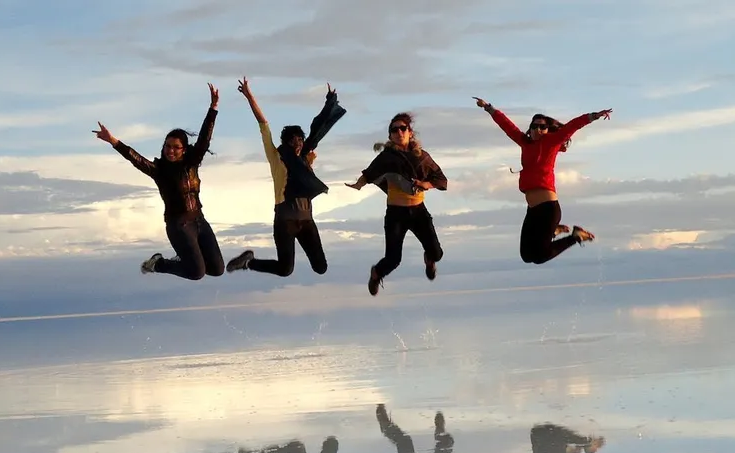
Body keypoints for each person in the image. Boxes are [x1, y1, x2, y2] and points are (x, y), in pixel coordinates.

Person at [93, 83, 225, 280]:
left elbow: (204, 139)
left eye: (176, 147)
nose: (170, 150)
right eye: (167, 146)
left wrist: (213, 108)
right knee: (196, 273)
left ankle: (185, 260)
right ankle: (159, 264)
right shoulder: (159, 170)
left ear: (184, 150)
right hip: (179, 225)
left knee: (216, 269)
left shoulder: (192, 163)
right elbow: (136, 159)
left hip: (199, 219)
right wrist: (114, 141)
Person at [225, 77, 347, 278]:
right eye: (293, 140)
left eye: (300, 139)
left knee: (321, 267)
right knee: (285, 269)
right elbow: (263, 124)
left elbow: (319, 128)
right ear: (286, 143)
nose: (297, 143)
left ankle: (248, 262)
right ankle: (248, 262)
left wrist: (330, 101)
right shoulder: (277, 157)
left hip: (307, 221)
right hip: (285, 221)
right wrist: (249, 96)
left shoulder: (305, 159)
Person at [473, 96, 612, 266]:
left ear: (547, 130)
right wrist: (489, 108)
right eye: (534, 126)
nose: (538, 130)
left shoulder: (552, 142)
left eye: (542, 127)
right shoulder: (525, 143)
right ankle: (554, 231)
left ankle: (576, 236)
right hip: (532, 210)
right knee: (526, 256)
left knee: (539, 256)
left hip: (548, 209)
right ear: (530, 129)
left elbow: (573, 126)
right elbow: (507, 126)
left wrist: (594, 116)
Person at [345, 113, 448, 296]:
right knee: (393, 260)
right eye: (394, 130)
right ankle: (376, 274)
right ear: (390, 136)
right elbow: (369, 173)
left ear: (410, 132)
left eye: (403, 128)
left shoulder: (423, 157)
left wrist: (426, 184)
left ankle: (429, 259)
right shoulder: (387, 157)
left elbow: (440, 179)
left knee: (436, 254)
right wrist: (358, 184)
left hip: (418, 211)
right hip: (395, 214)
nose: (399, 132)